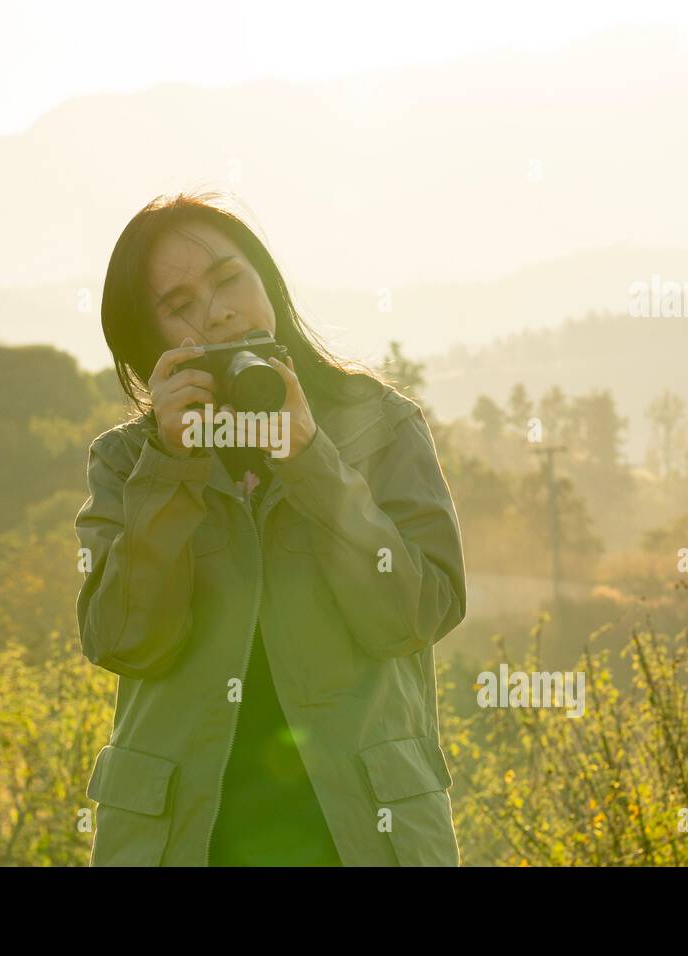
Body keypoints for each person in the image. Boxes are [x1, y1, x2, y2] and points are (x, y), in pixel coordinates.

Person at [75, 189, 468, 866]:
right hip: (188, 841)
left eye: (230, 279)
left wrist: (311, 460)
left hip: (358, 836)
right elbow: (124, 641)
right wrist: (171, 466)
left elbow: (412, 616)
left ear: (268, 285)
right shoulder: (128, 461)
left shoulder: (380, 424)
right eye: (180, 305)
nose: (218, 311)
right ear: (152, 342)